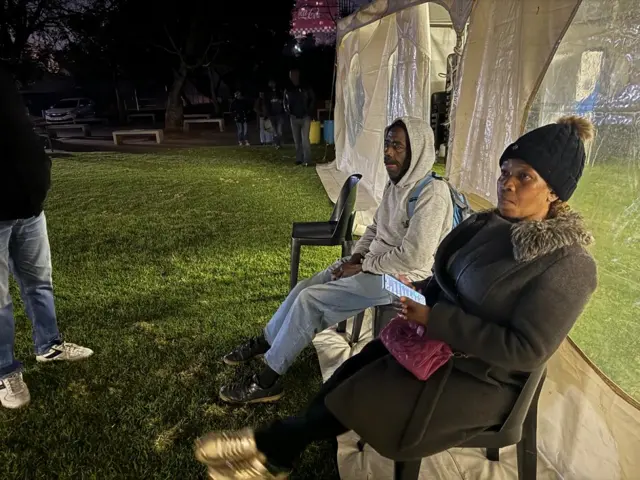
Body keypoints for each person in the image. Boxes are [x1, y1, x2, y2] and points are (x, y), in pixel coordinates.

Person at [195, 116, 598, 479]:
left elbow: (525, 350)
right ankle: (279, 443)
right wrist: (397, 285)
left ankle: (272, 444)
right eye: (505, 171)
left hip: (481, 377)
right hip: (433, 337)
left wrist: (428, 314)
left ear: (554, 192)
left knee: (362, 390)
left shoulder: (568, 264)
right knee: (348, 373)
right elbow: (435, 269)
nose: (507, 182)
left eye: (524, 176)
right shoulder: (488, 223)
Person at [219, 117, 454, 404]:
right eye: (387, 144)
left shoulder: (432, 193)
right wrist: (355, 257)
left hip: (408, 283)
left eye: (398, 146)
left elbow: (413, 257)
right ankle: (266, 340)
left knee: (311, 301)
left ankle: (267, 381)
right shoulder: (397, 184)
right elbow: (374, 229)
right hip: (377, 267)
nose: (388, 152)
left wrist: (362, 266)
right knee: (305, 286)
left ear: (417, 150)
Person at [0, 68, 93, 410]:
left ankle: (48, 346)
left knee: (39, 283)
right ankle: (5, 370)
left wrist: (39, 171)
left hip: (29, 207)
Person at [284, 69, 315, 165]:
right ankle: (299, 158)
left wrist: (309, 111)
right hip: (294, 117)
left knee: (305, 139)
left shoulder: (306, 87)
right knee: (297, 140)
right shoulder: (288, 89)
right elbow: (285, 102)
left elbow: (313, 98)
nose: (293, 77)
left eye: (295, 75)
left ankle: (307, 159)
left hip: (305, 117)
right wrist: (288, 112)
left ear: (298, 75)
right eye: (291, 75)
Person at [265, 80, 285, 149]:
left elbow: (284, 100)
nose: (272, 84)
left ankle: (278, 143)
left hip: (279, 114)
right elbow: (266, 104)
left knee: (279, 131)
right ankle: (277, 144)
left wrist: (280, 101)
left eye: (273, 83)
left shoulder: (279, 91)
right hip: (272, 115)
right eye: (270, 83)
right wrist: (268, 114)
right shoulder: (267, 93)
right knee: (275, 131)